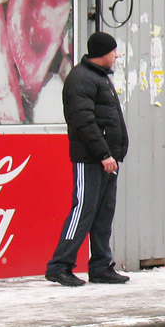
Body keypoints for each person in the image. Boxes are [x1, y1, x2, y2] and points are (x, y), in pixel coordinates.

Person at [45, 32, 130, 287]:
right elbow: (84, 122)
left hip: (108, 160)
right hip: (92, 159)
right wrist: (103, 154)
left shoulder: (99, 78)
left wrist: (112, 154)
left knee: (104, 214)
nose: (117, 55)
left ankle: (101, 266)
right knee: (83, 210)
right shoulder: (81, 79)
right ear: (102, 52)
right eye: (114, 51)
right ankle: (59, 265)